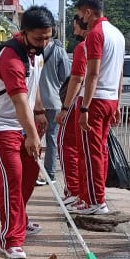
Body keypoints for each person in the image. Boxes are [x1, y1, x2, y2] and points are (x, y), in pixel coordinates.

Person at [0, 6, 53, 259]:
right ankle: (11, 239)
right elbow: (19, 100)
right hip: (1, 125)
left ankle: (20, 220)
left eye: (48, 37)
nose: (44, 43)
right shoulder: (11, 58)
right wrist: (32, 133)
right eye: (38, 38)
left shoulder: (36, 54)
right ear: (23, 33)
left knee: (30, 174)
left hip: (24, 123)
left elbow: (33, 89)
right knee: (12, 178)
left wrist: (40, 111)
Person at [70, 0, 124, 215]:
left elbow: (91, 74)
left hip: (95, 99)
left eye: (81, 14)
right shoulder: (117, 34)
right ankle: (88, 197)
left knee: (89, 152)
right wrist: (117, 102)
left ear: (88, 12)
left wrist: (84, 107)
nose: (80, 18)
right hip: (109, 98)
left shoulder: (95, 34)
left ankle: (95, 200)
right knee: (98, 150)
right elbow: (120, 72)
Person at [55, 16, 89, 207]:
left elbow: (77, 78)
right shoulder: (112, 41)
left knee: (66, 145)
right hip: (100, 100)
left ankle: (75, 191)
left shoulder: (83, 47)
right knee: (86, 151)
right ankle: (84, 194)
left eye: (75, 23)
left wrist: (65, 108)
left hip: (80, 101)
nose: (73, 28)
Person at [38, 34, 71, 186]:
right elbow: (66, 78)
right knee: (51, 137)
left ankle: (34, 171)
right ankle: (50, 174)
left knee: (34, 137)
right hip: (54, 100)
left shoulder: (32, 50)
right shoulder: (59, 52)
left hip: (35, 102)